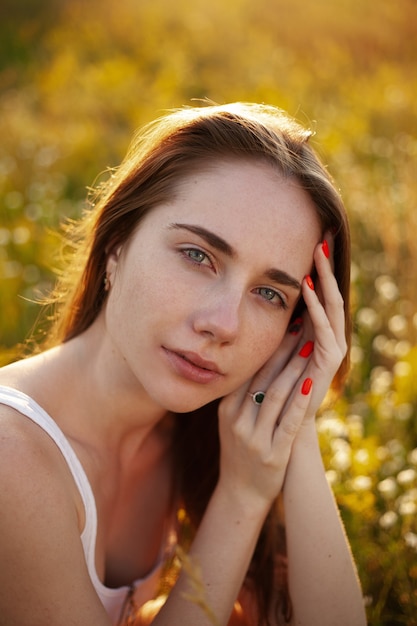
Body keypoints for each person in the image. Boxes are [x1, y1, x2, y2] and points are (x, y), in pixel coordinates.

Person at [0, 102, 366, 626]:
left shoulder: (195, 432)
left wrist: (297, 420)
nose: (224, 323)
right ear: (117, 244)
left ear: (297, 326)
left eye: (269, 293)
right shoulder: (11, 457)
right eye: (198, 255)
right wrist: (243, 495)